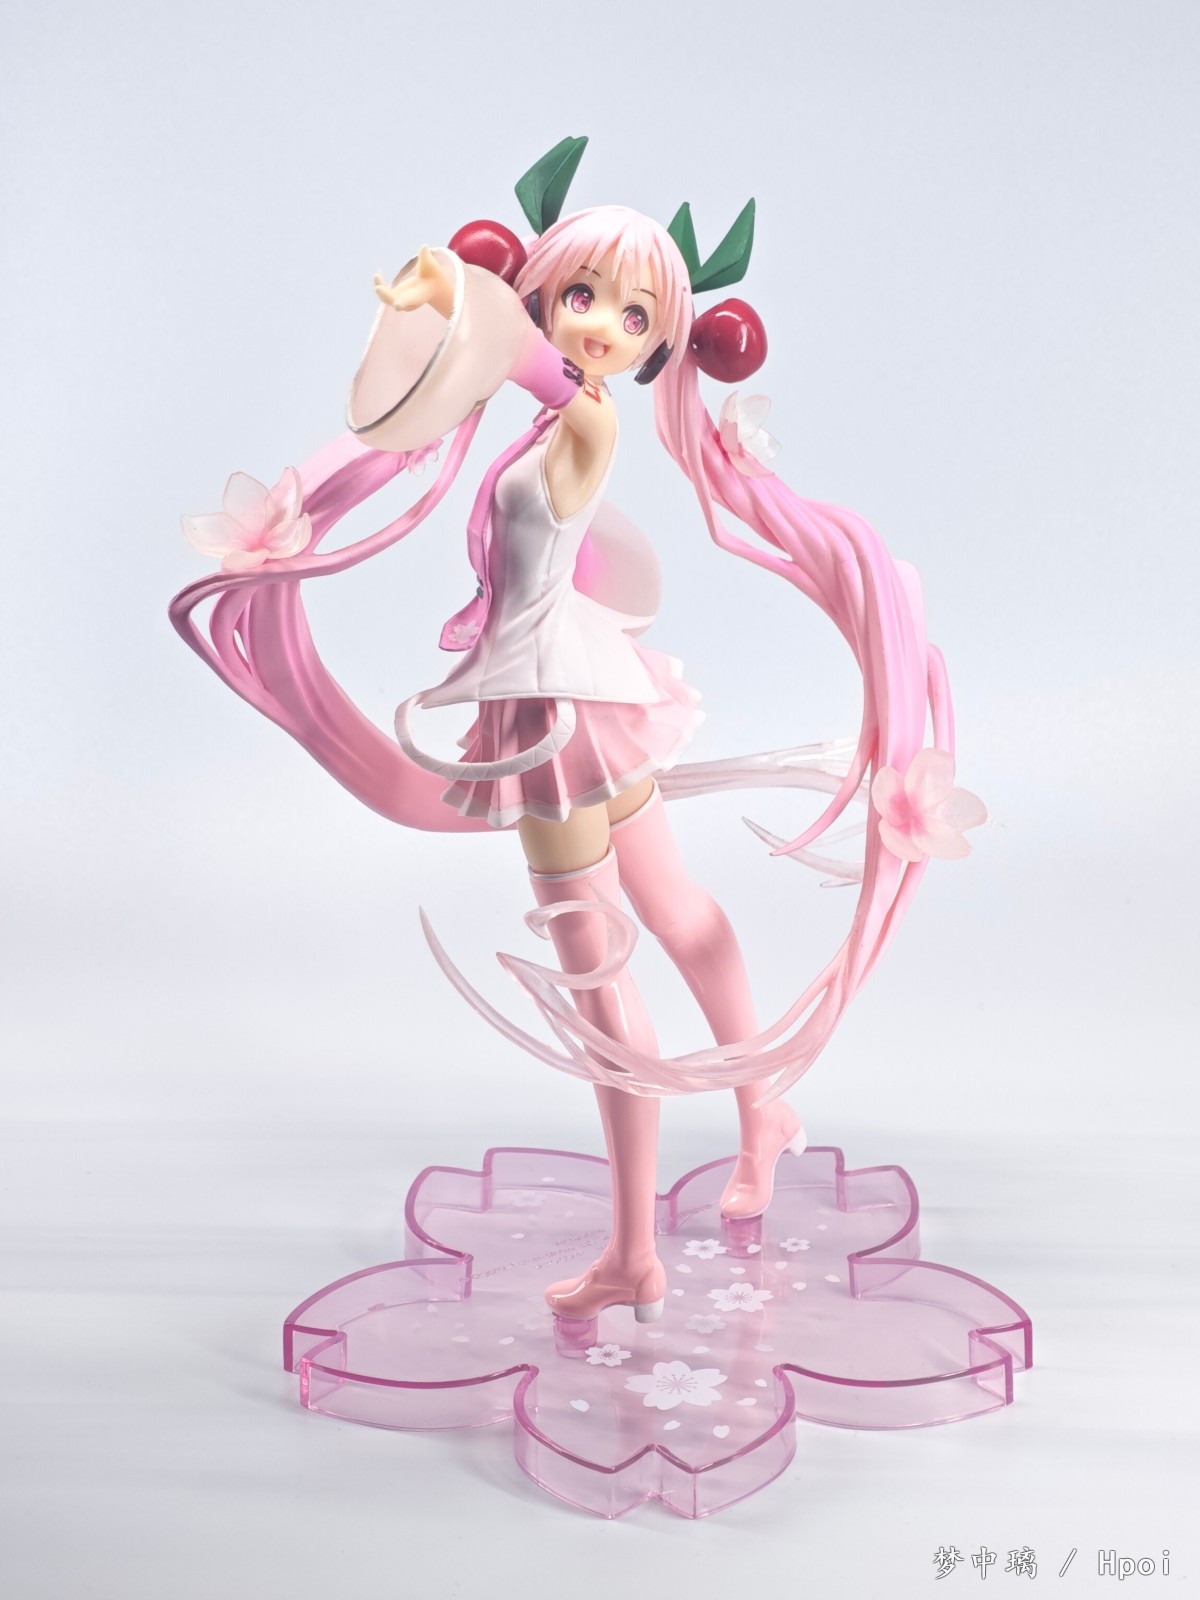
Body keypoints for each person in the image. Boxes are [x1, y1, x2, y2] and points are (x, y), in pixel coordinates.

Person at [170, 140, 981, 1330]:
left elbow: (522, 362)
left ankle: (633, 1253)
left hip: (554, 721)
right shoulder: (554, 415)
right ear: (550, 289)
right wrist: (454, 291)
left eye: (633, 315)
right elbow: (499, 362)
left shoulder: (586, 417)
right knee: (679, 912)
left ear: (655, 345)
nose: (601, 326)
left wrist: (465, 295)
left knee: (600, 975)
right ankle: (762, 1112)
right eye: (584, 296)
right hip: (582, 699)